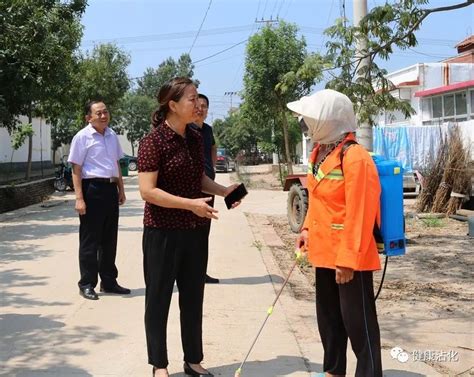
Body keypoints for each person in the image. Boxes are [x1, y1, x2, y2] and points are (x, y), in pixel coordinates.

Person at [138, 77, 241, 377]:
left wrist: (224, 191)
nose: (198, 105)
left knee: (193, 295)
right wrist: (190, 204)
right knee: (158, 298)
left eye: (198, 99)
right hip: (162, 231)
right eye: (192, 99)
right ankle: (159, 364)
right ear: (172, 105)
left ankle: (193, 359)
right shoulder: (153, 141)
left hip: (194, 230)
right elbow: (148, 191)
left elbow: (199, 179)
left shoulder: (196, 138)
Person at [288, 89, 383, 377]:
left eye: (312, 119)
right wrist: (306, 229)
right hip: (324, 251)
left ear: (330, 120)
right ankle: (333, 371)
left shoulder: (355, 157)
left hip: (348, 255)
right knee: (329, 318)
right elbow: (317, 200)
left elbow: (361, 212)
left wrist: (347, 259)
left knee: (357, 322)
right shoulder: (320, 152)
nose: (306, 124)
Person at [68, 100, 130, 301]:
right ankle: (86, 283)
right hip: (91, 189)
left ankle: (109, 281)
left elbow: (116, 164)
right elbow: (76, 169)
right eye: (98, 113)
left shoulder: (112, 135)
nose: (103, 116)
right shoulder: (82, 137)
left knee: (109, 239)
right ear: (89, 117)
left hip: (110, 189)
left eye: (105, 112)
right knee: (90, 240)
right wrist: (79, 198)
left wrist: (121, 188)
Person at [191, 93, 219, 284]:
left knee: (203, 232)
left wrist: (213, 167)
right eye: (197, 105)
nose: (200, 109)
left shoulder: (207, 130)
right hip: (191, 188)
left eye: (204, 106)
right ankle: (189, 272)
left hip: (209, 186)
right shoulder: (188, 130)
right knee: (191, 232)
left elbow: (213, 148)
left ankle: (201, 271)